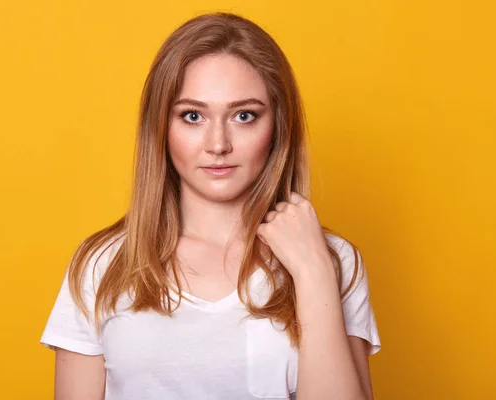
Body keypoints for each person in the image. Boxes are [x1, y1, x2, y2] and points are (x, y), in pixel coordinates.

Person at [40, 11, 381, 400]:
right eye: (193, 116)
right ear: (161, 127)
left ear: (278, 127)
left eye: (243, 116)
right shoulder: (102, 264)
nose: (218, 144)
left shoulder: (333, 261)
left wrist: (312, 272)